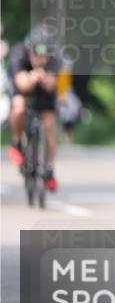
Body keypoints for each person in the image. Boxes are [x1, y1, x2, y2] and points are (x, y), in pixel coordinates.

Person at [6, 27, 62, 191]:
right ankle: (17, 142)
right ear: (29, 50)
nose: (41, 58)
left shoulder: (55, 60)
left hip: (44, 90)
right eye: (37, 53)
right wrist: (32, 77)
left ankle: (50, 169)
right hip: (23, 83)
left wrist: (45, 78)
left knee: (50, 123)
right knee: (19, 106)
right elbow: (21, 83)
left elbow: (52, 86)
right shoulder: (19, 54)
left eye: (45, 54)